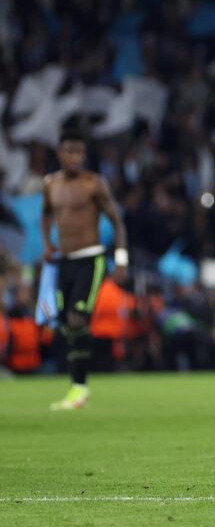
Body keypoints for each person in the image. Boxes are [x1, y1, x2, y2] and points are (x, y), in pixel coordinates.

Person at [41, 129, 128, 410]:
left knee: (78, 319)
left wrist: (122, 259)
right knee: (66, 323)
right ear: (60, 154)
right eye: (70, 152)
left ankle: (79, 386)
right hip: (64, 260)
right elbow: (45, 214)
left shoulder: (93, 184)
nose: (75, 158)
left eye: (80, 153)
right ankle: (78, 386)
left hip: (92, 258)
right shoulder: (51, 185)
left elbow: (117, 220)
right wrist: (47, 245)